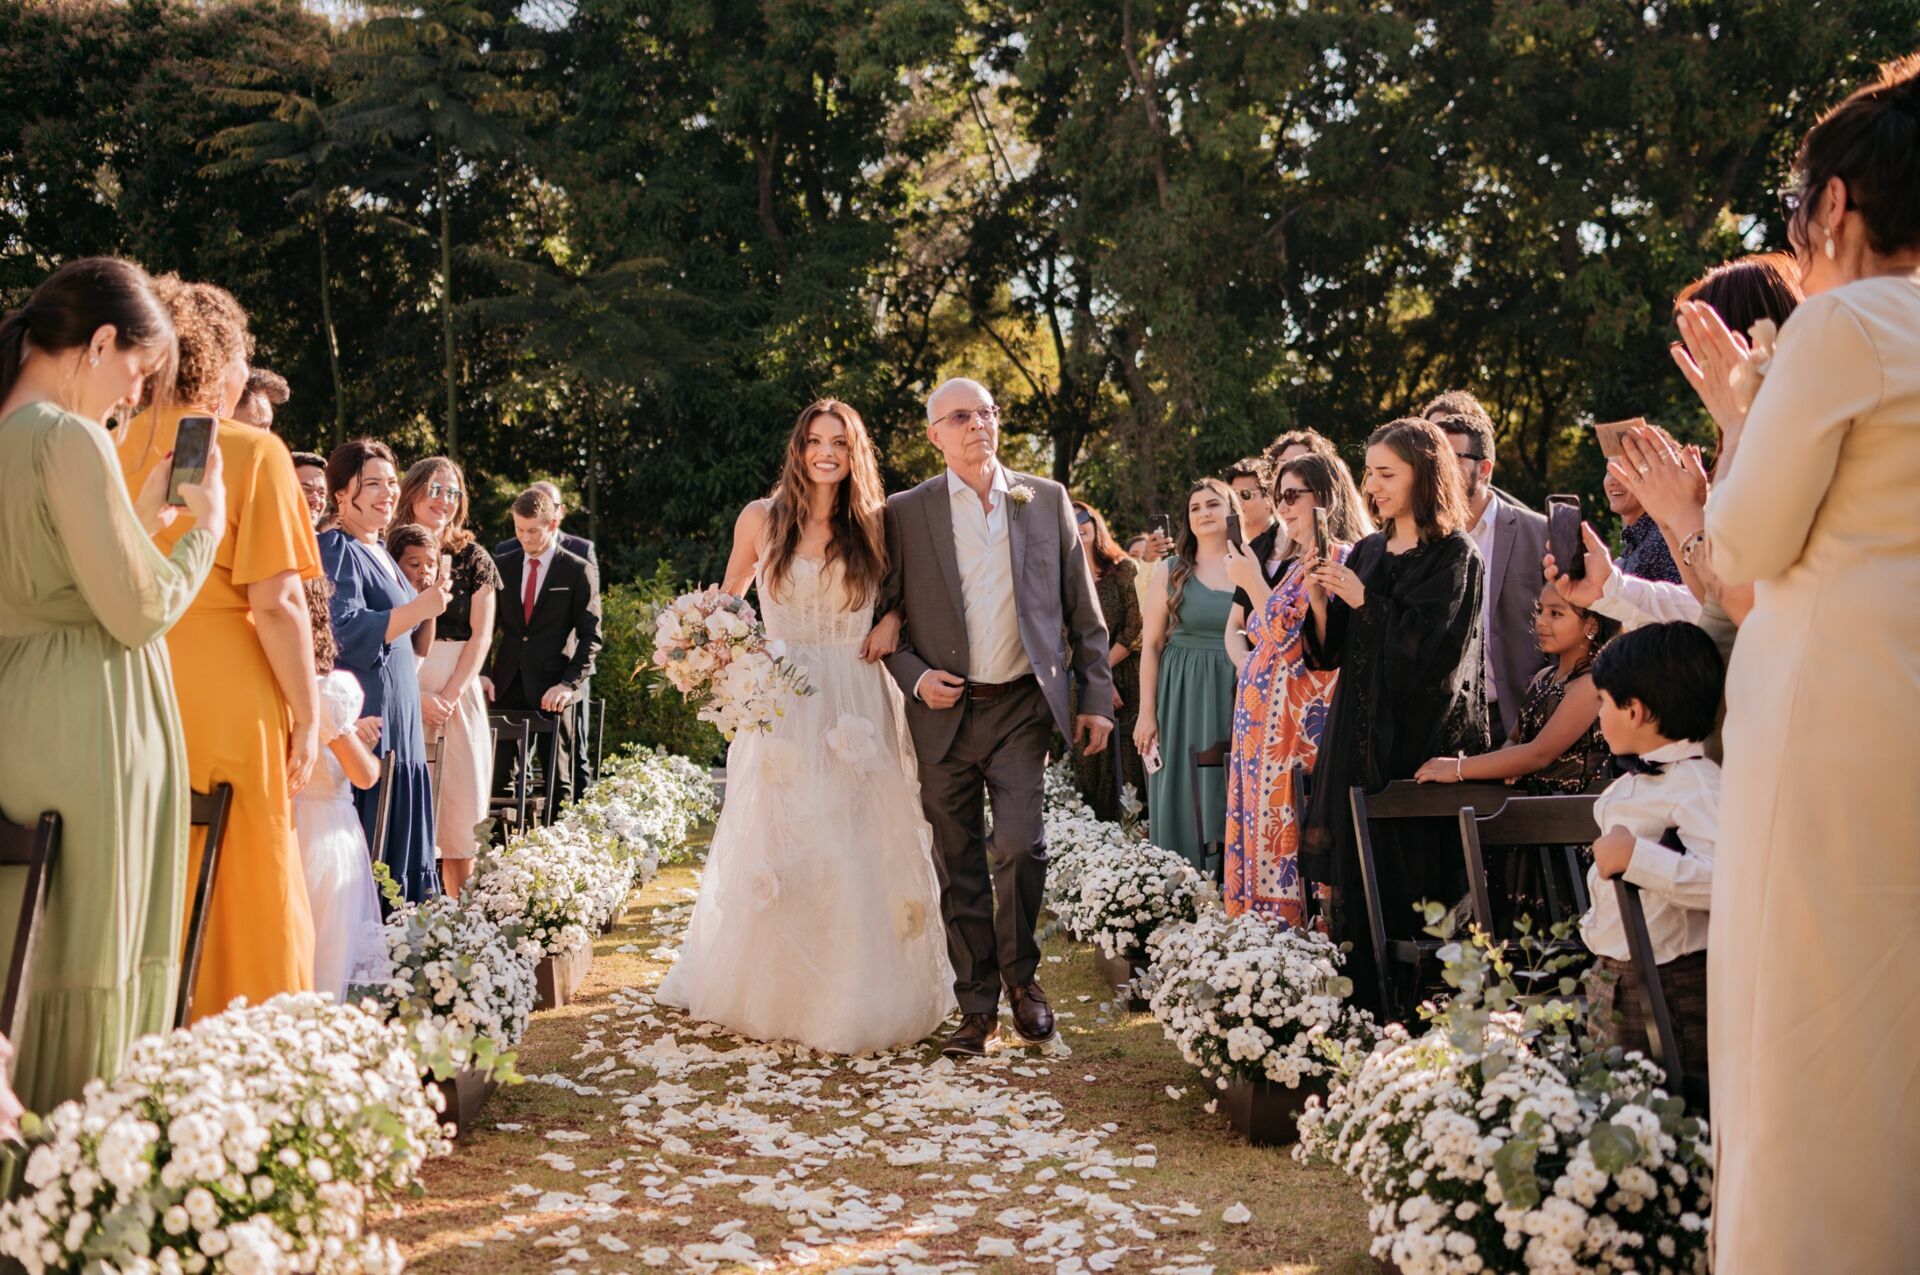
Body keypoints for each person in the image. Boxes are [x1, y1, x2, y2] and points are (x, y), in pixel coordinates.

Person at [1684, 54, 1920, 1274]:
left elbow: (1744, 544)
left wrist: (1741, 413)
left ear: (1834, 206)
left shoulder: (1845, 322)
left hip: (1832, 702)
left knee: (1809, 1015)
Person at [660, 399, 955, 1054]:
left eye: (840, 443)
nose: (826, 453)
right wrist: (705, 659)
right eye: (815, 441)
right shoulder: (761, 519)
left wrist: (894, 622)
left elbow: (911, 595)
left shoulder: (878, 523)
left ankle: (856, 990)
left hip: (858, 692)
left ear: (856, 455)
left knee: (856, 837)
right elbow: (727, 602)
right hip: (785, 698)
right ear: (798, 450)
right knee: (789, 836)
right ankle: (782, 989)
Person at [0, 258, 222, 1110]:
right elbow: (134, 610)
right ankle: (83, 1160)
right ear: (99, 342)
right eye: (137, 371)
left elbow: (66, 577)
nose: (131, 398)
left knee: (33, 949)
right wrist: (205, 532)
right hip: (88, 725)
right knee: (98, 948)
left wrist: (155, 515)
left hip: (22, 709)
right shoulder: (67, 435)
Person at [883, 377, 1113, 1059]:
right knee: (956, 859)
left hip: (1019, 706)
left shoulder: (1045, 500)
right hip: (944, 714)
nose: (978, 424)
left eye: (986, 412)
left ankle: (1024, 984)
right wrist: (918, 678)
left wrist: (1095, 697)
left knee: (1019, 844)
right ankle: (976, 1007)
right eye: (960, 416)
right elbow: (880, 620)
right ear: (935, 434)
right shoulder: (904, 511)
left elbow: (1083, 612)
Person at [116, 276, 322, 1022]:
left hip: (135, 684)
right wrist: (307, 709)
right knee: (249, 870)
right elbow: (277, 600)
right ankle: (251, 1034)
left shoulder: (109, 443)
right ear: (227, 360)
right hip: (231, 700)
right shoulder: (253, 451)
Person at [1300, 418, 1491, 1015]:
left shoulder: (1456, 556)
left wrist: (1365, 601)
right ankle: (1356, 1020)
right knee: (1354, 891)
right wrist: (1321, 603)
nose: (1373, 485)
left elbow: (1431, 663)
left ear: (1424, 474)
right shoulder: (1369, 550)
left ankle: (1414, 1026)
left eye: (1387, 473)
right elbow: (1333, 655)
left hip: (1413, 748)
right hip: (1356, 742)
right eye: (1371, 473)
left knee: (1410, 893)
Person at [1220, 454, 1370, 923]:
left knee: (1288, 854)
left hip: (1293, 737)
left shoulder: (1338, 559)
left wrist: (1249, 582)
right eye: (1277, 496)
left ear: (1324, 497)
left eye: (1292, 495)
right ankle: (1260, 953)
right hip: (1262, 738)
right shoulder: (1293, 565)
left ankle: (1292, 951)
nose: (1281, 507)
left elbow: (1303, 646)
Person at [1576, 622, 1723, 1086]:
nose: (1598, 713)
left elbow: (1726, 883)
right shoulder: (1630, 786)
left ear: (1635, 711)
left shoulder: (1699, 787)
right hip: (1611, 976)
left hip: (1671, 984)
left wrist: (1638, 858)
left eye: (1603, 701)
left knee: (1666, 1110)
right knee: (1611, 1108)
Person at [319, 439, 447, 904]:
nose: (386, 492)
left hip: (404, 719)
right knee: (376, 843)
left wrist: (426, 609)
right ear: (341, 495)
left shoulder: (382, 551)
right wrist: (419, 609)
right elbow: (346, 630)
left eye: (391, 482)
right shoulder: (337, 548)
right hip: (373, 720)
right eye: (371, 483)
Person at [397, 458, 498, 895]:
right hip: (401, 679)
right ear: (414, 491)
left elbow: (482, 635)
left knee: (460, 814)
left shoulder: (474, 557)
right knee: (402, 808)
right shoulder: (388, 548)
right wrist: (412, 694)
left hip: (458, 684)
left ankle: (462, 920)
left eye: (453, 492)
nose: (444, 500)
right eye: (436, 489)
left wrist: (451, 695)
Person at [1424, 391, 1548, 741]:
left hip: (1523, 721)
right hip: (1443, 730)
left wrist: (1536, 720)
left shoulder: (1539, 532)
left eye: (1452, 458)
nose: (1439, 471)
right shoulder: (1419, 541)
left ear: (1485, 468)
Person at [1134, 478, 1240, 874]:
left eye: (1212, 504)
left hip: (1233, 689)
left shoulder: (1248, 565)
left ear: (1230, 512)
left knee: (1226, 785)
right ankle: (1178, 887)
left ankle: (1230, 883)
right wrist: (1147, 713)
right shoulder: (1171, 570)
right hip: (1179, 694)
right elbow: (1151, 645)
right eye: (1195, 508)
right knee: (1180, 784)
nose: (1203, 513)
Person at [1415, 585, 1614, 795]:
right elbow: (1515, 738)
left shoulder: (1591, 683)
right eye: (1540, 611)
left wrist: (1457, 769)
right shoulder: (1543, 677)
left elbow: (1539, 754)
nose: (1541, 622)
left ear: (1591, 625)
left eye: (1555, 613)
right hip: (1533, 809)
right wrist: (1511, 760)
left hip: (1575, 816)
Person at [292, 577, 390, 1000]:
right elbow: (363, 775)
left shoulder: (267, 686)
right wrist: (369, 753)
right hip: (328, 832)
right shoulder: (330, 690)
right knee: (329, 950)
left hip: (284, 825)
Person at [487, 487, 601, 809]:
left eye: (532, 531)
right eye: (519, 530)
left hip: (554, 687)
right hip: (506, 684)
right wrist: (482, 675)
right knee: (497, 778)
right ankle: (498, 850)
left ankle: (553, 853)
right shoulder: (502, 565)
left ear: (552, 525)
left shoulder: (578, 570)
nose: (525, 538)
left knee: (558, 781)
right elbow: (484, 628)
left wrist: (568, 685)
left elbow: (591, 636)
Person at [1068, 501, 1144, 822]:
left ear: (1097, 523)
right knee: (1089, 762)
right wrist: (1097, 679)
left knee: (1127, 763)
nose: (1078, 522)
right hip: (1083, 681)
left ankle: (1134, 835)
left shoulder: (1124, 569)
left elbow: (1136, 627)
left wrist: (1104, 672)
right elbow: (1062, 638)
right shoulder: (1062, 581)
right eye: (1068, 519)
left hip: (1126, 678)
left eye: (1084, 516)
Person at [292, 451, 329, 528]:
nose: (316, 500)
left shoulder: (333, 539)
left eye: (321, 493)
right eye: (305, 490)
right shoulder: (263, 538)